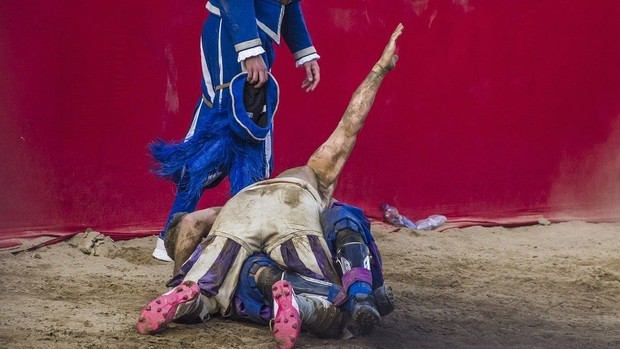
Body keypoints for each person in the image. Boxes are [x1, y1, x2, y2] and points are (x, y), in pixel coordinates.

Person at [137, 23, 404, 348]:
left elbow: (192, 222)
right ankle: (302, 302)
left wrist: (185, 272)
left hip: (237, 212)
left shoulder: (250, 192)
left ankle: (187, 293)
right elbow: (351, 124)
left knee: (214, 293)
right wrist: (380, 69)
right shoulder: (314, 173)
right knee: (336, 313)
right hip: (293, 210)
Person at [150, 0, 322, 261]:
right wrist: (250, 49)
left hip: (253, 35)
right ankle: (172, 238)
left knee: (252, 123)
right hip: (232, 33)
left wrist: (304, 51)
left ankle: (246, 233)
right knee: (222, 126)